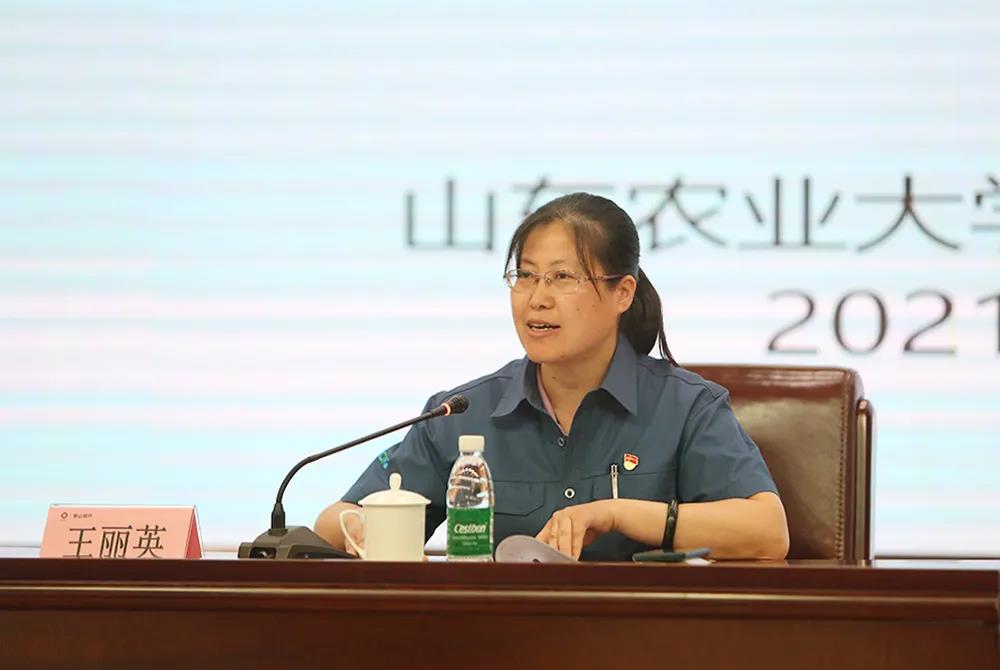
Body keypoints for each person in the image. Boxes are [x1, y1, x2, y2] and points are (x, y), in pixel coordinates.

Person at [315, 193, 789, 561]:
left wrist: (615, 513)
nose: (537, 298)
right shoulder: (461, 414)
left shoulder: (685, 407)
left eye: (563, 278)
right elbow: (335, 520)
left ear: (623, 293)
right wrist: (366, 534)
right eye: (525, 276)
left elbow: (767, 532)